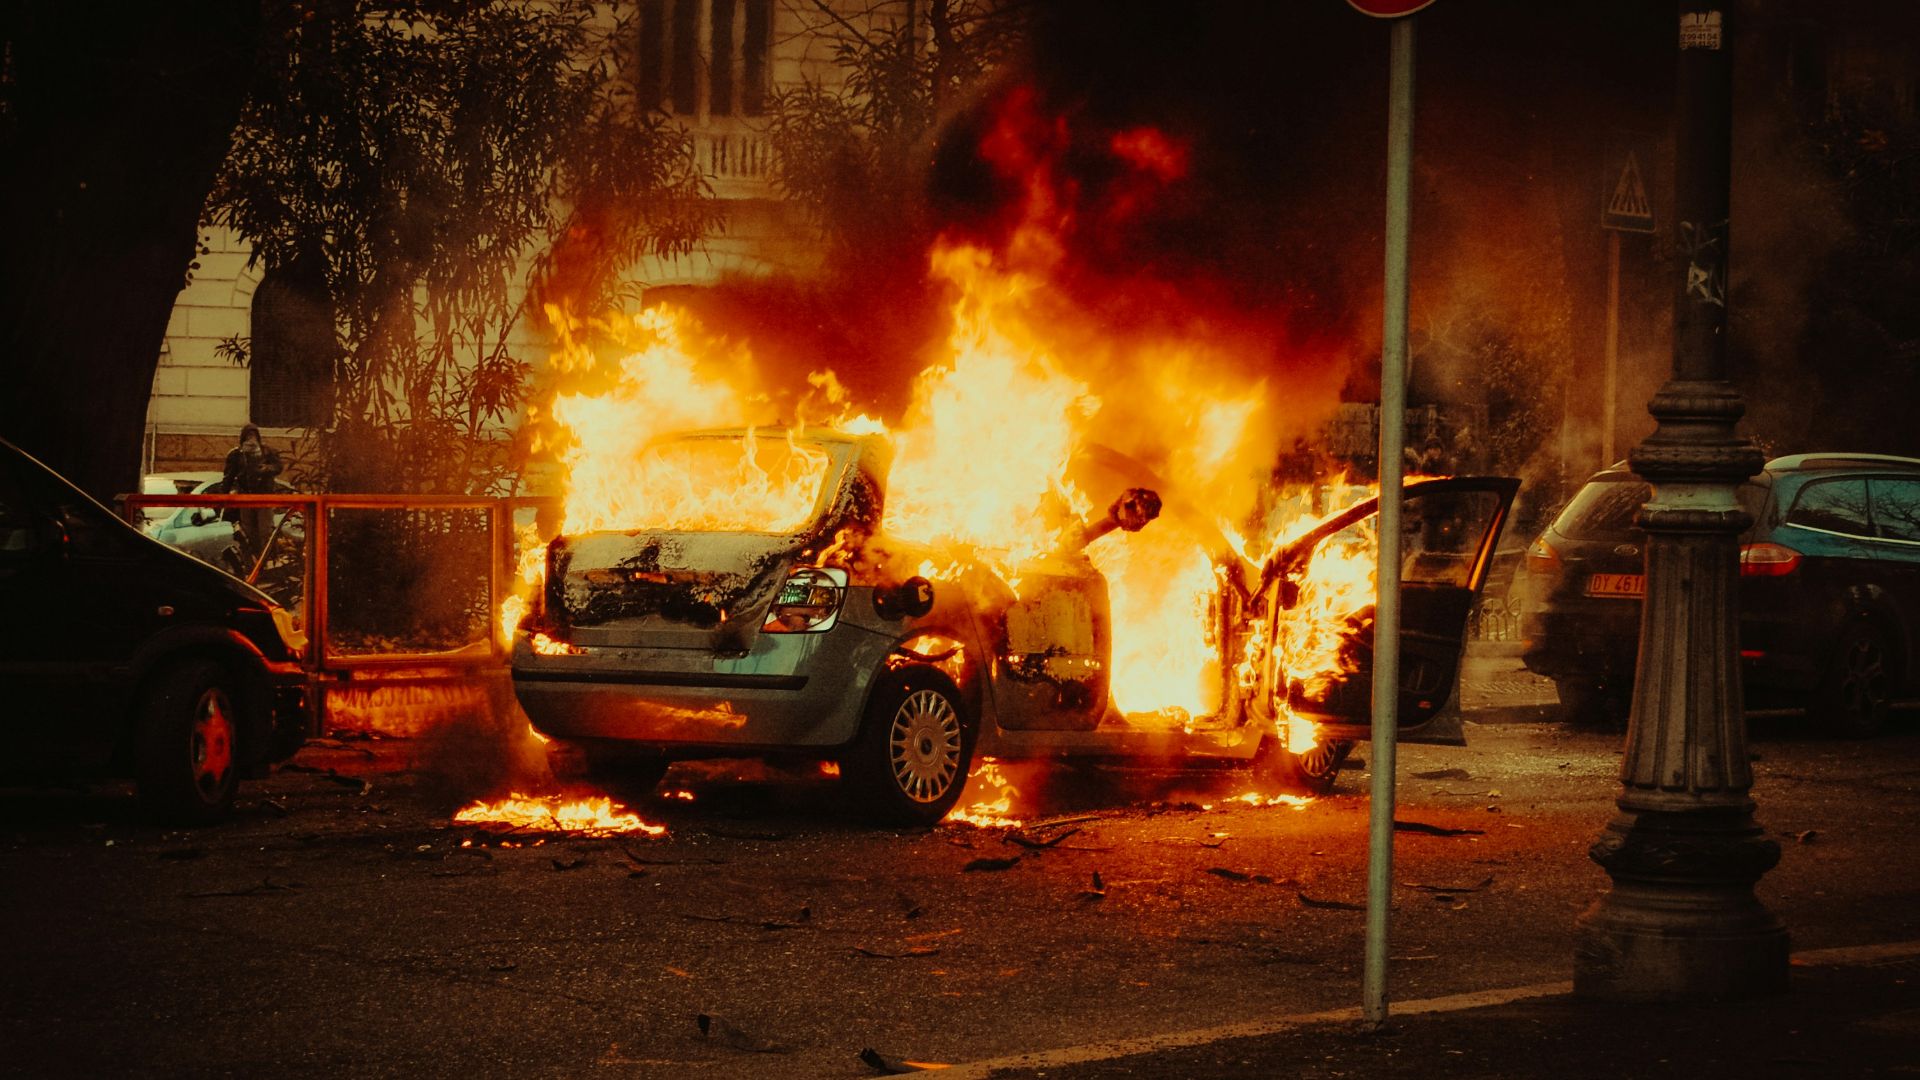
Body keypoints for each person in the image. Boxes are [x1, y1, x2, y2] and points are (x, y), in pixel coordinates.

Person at [222, 424, 283, 566]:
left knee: (265, 530)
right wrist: (224, 496)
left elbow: (278, 466)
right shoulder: (236, 454)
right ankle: (252, 563)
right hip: (246, 497)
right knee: (248, 532)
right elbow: (228, 476)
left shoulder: (267, 452)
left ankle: (268, 562)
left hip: (264, 497)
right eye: (248, 436)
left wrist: (266, 469)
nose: (251, 439)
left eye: (253, 436)